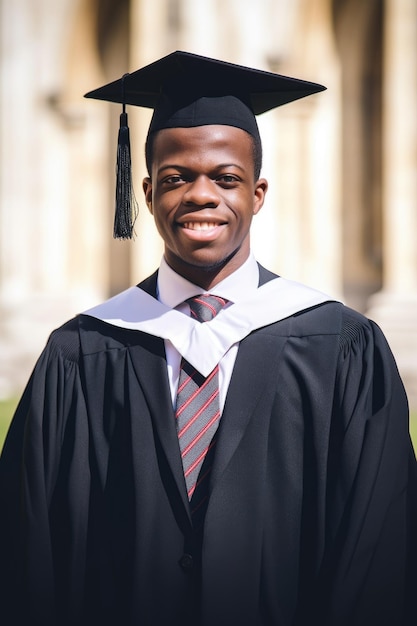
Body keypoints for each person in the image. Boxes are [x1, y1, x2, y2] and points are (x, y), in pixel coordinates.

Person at [1, 51, 416, 626]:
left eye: (226, 178)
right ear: (145, 193)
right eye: (176, 179)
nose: (201, 195)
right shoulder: (80, 354)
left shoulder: (343, 346)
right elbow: (30, 554)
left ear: (259, 193)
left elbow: (378, 552)